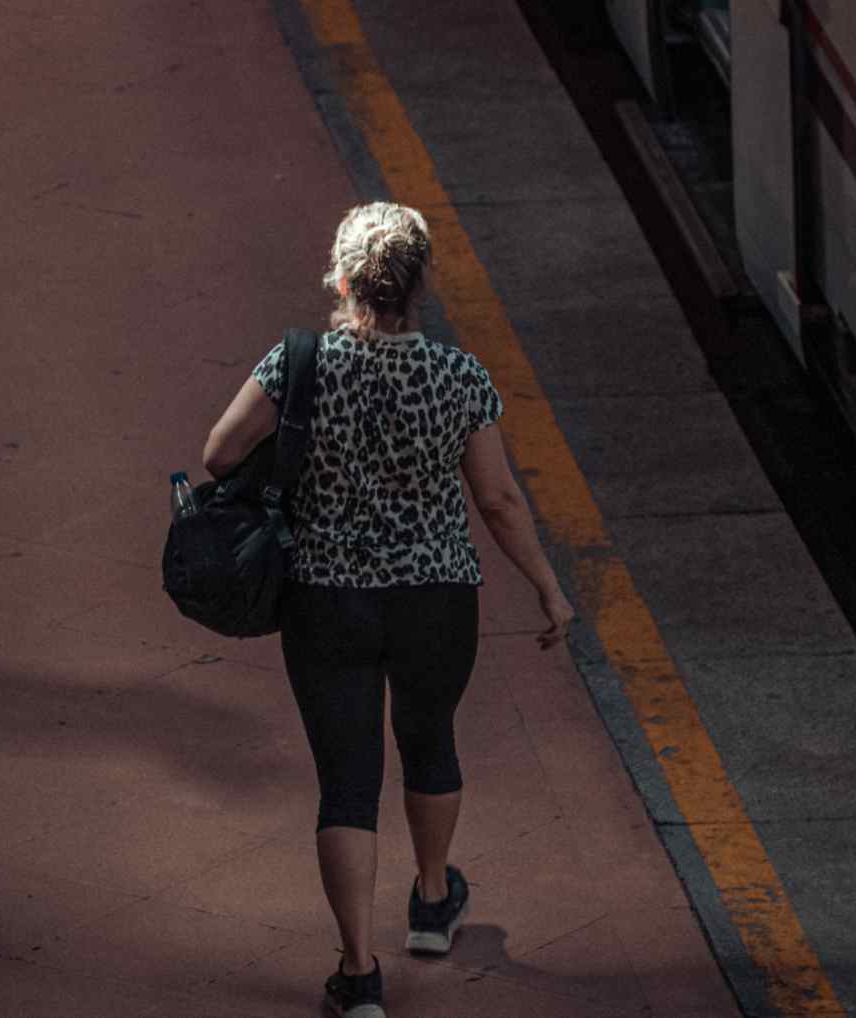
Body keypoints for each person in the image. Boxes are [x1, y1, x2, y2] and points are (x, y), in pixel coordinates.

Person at [200, 201, 576, 1017]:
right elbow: (501, 501)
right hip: (435, 597)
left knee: (346, 782)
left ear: (340, 279)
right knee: (429, 740)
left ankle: (360, 973)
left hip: (325, 596)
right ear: (423, 284)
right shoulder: (459, 377)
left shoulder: (296, 363)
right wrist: (547, 583)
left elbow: (218, 453)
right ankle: (434, 902)